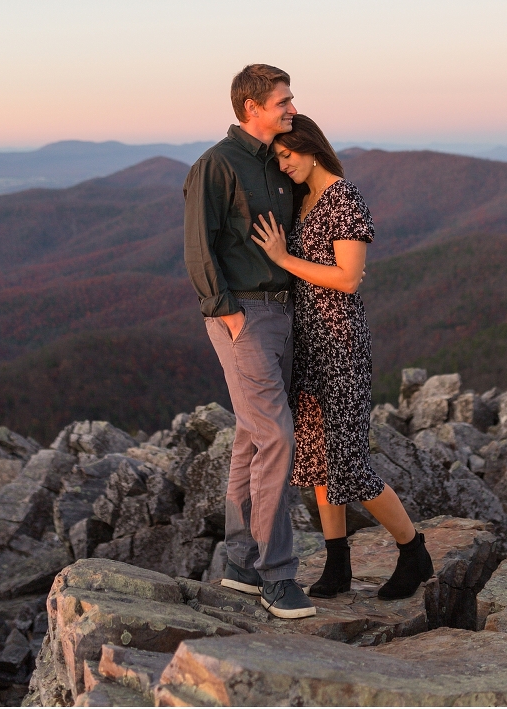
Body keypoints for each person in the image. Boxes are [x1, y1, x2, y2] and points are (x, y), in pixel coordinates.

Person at [251, 114, 434, 600]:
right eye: (279, 159)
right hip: (306, 345)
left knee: (349, 465)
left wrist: (283, 258)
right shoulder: (302, 200)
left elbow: (349, 278)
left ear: (311, 147)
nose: (284, 166)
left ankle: (414, 551)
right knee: (314, 460)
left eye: (288, 156)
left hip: (340, 344)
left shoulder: (343, 198)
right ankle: (338, 567)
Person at [183, 64, 316, 620]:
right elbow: (198, 245)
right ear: (251, 107)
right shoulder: (216, 164)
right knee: (278, 436)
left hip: (284, 313)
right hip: (243, 315)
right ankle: (276, 576)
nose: (292, 107)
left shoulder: (280, 160)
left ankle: (240, 564)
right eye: (282, 101)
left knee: (250, 437)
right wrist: (227, 313)